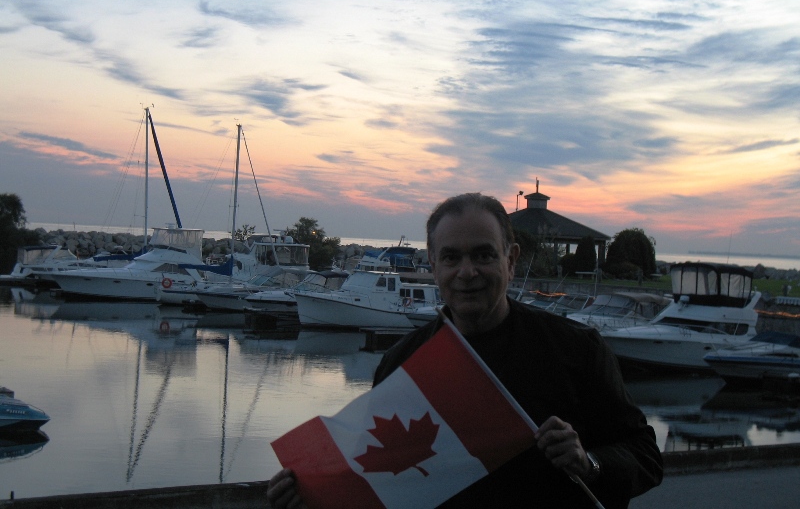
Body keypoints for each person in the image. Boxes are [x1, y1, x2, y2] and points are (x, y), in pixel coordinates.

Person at [268, 193, 663, 509]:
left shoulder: (576, 350)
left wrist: (588, 463)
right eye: (452, 257)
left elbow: (645, 456)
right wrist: (311, 494)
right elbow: (379, 477)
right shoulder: (403, 365)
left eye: (483, 255)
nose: (467, 271)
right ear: (434, 266)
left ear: (510, 260)